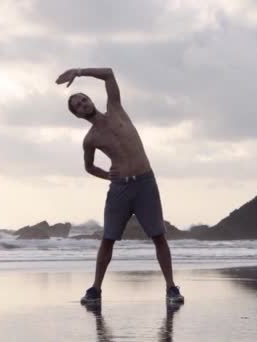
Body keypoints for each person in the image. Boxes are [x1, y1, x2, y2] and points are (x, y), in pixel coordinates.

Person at [55, 67, 184, 304]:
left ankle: (171, 288)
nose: (84, 104)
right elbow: (89, 167)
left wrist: (79, 72)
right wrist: (108, 176)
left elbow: (109, 74)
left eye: (84, 99)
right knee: (108, 238)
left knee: (159, 237)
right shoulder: (90, 139)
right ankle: (95, 289)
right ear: (77, 115)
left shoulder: (115, 109)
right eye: (79, 105)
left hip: (145, 182)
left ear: (91, 100)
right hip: (120, 190)